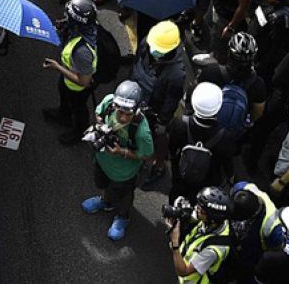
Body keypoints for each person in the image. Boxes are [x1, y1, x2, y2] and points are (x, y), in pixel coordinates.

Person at [81, 80, 154, 241]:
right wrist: (100, 125)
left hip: (124, 173)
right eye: (119, 111)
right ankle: (106, 202)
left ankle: (123, 217)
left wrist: (122, 152)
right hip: (102, 161)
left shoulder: (141, 131)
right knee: (102, 184)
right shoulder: (109, 102)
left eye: (128, 114)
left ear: (136, 110)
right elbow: (98, 112)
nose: (122, 117)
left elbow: (148, 155)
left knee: (124, 195)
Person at [130, 22, 190, 191]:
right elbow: (136, 63)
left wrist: (162, 122)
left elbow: (171, 101)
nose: (153, 50)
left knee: (157, 139)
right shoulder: (147, 42)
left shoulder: (177, 73)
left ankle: (159, 166)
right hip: (138, 96)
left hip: (155, 110)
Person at [166, 82, 246, 203]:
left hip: (181, 172)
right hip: (208, 179)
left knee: (176, 195)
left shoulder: (180, 123)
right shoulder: (226, 135)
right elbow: (226, 159)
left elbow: (172, 147)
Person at [42, 0, 98, 144]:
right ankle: (64, 114)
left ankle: (79, 132)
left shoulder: (82, 52)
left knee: (78, 107)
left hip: (78, 87)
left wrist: (57, 67)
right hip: (69, 75)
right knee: (63, 92)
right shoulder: (86, 26)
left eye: (68, 18)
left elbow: (84, 81)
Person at [166, 185, 233, 282]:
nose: (196, 208)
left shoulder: (213, 250)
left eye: (201, 210)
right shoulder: (219, 221)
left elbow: (183, 271)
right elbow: (195, 216)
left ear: (212, 220)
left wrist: (175, 243)